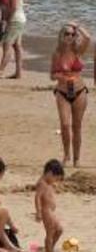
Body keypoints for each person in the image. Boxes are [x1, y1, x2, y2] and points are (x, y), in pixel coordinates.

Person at [49, 23, 89, 167]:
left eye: (73, 34)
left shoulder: (78, 51)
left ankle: (77, 159)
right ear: (61, 36)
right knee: (65, 125)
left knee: (77, 126)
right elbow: (51, 75)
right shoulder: (57, 53)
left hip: (79, 91)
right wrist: (60, 76)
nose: (70, 37)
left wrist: (77, 26)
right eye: (67, 34)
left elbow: (88, 38)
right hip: (62, 91)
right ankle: (67, 155)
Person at [0, 0, 25, 79]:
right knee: (17, 46)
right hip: (21, 18)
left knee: (7, 44)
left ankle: (0, 71)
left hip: (15, 20)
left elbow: (12, 7)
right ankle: (18, 72)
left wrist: (6, 20)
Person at [34, 159, 65, 252]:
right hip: (46, 211)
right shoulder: (42, 183)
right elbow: (37, 198)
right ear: (50, 173)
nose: (55, 181)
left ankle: (50, 247)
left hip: (51, 211)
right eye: (55, 178)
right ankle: (49, 250)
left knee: (59, 230)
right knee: (50, 232)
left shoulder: (48, 183)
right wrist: (38, 212)